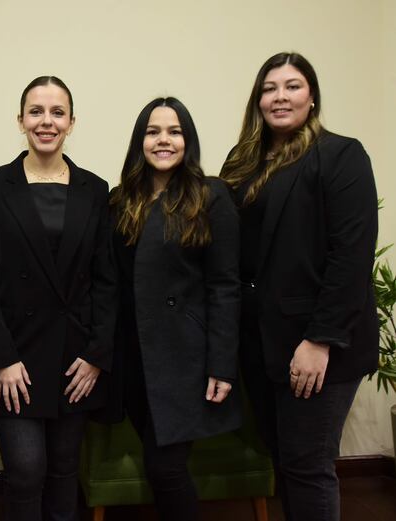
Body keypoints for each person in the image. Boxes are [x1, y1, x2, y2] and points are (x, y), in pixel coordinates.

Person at [220, 52, 379, 521]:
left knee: (308, 465)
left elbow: (351, 257)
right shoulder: (242, 161)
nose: (280, 96)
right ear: (258, 100)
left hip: (317, 346)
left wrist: (320, 340)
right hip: (261, 344)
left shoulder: (340, 154)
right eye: (270, 88)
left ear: (312, 97)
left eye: (292, 86)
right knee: (286, 463)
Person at [0, 76, 115, 521]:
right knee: (27, 471)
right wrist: (1, 358)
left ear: (71, 122)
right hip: (15, 357)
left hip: (75, 360)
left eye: (56, 112)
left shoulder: (96, 189)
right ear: (20, 120)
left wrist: (96, 356)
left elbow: (106, 281)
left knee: (64, 472)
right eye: (36, 111)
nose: (46, 121)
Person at [110, 97, 241, 520]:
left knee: (165, 469)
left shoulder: (210, 195)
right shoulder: (120, 200)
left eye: (174, 131)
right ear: (139, 141)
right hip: (134, 359)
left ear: (188, 140)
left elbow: (225, 285)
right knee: (159, 467)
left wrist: (222, 364)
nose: (163, 140)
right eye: (152, 132)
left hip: (185, 358)